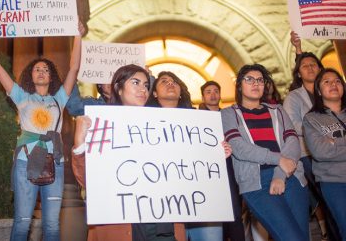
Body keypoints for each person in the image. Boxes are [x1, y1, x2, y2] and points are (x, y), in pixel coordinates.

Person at [0, 22, 84, 241]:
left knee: (52, 224)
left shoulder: (59, 99)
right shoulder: (22, 98)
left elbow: (73, 68)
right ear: (30, 76)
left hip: (55, 162)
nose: (41, 72)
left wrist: (78, 36)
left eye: (46, 70)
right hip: (25, 162)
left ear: (51, 77)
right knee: (22, 221)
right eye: (37, 69)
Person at [71, 64, 186, 241]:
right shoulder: (102, 125)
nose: (143, 89)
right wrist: (79, 145)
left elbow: (183, 170)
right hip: (123, 224)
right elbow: (89, 181)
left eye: (146, 85)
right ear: (118, 88)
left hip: (163, 222)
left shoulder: (162, 124)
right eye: (136, 83)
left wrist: (212, 155)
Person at [221, 64, 309, 241]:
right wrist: (277, 159)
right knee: (291, 237)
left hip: (292, 176)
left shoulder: (278, 110)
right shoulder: (228, 113)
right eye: (249, 79)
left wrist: (280, 173)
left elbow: (292, 141)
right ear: (239, 85)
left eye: (260, 80)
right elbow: (238, 146)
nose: (256, 83)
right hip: (257, 182)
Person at [146, 72, 231, 241]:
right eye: (164, 81)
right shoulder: (144, 123)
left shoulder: (200, 121)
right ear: (154, 93)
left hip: (203, 200)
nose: (170, 83)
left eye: (174, 81)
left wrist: (220, 152)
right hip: (165, 204)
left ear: (180, 91)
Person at [284, 32, 332, 241]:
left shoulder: (333, 92)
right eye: (305, 66)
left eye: (314, 64)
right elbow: (292, 125)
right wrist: (320, 131)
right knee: (325, 198)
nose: (311, 68)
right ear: (299, 74)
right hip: (309, 155)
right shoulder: (294, 98)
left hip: (337, 153)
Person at [198, 80, 246, 241]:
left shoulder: (229, 116)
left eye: (215, 91)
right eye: (208, 91)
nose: (213, 94)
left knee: (234, 209)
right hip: (205, 170)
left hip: (229, 166)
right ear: (203, 96)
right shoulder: (195, 118)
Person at [303, 68, 346, 240]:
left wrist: (334, 143)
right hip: (335, 183)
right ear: (319, 91)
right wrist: (329, 146)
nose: (333, 84)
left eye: (337, 81)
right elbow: (321, 152)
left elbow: (330, 148)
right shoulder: (311, 119)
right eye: (326, 82)